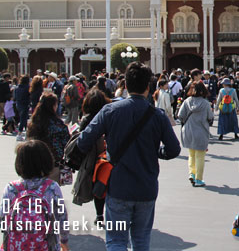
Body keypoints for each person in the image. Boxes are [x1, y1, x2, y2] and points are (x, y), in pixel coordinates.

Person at [76, 62, 181, 250]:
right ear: (148, 87)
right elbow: (174, 149)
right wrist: (156, 151)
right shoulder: (157, 116)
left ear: (125, 84)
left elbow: (83, 140)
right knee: (141, 241)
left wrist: (106, 146)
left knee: (116, 241)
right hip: (146, 187)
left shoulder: (110, 111)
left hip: (118, 186)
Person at [0, 140, 70, 251]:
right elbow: (62, 218)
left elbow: (1, 221)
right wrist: (64, 240)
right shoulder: (51, 187)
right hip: (45, 246)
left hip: (15, 246)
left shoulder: (11, 188)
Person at [77, 89, 111, 225]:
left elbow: (82, 138)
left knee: (97, 186)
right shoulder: (108, 115)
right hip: (108, 156)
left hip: (92, 158)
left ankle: (99, 214)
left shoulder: (87, 119)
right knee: (107, 183)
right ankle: (109, 213)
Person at [26, 92, 70, 183]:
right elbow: (66, 143)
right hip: (52, 161)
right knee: (50, 191)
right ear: (53, 106)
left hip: (34, 160)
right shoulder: (58, 124)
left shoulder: (34, 122)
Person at [177, 81, 214, 187]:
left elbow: (181, 115)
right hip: (201, 132)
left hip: (188, 131)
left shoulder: (187, 101)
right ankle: (198, 179)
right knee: (200, 157)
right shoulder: (205, 103)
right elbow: (210, 117)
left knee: (191, 155)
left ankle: (191, 174)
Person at [14, 75, 30, 141]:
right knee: (23, 119)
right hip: (25, 104)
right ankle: (19, 133)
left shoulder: (17, 87)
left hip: (18, 104)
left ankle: (27, 133)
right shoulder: (27, 87)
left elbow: (15, 97)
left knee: (24, 118)